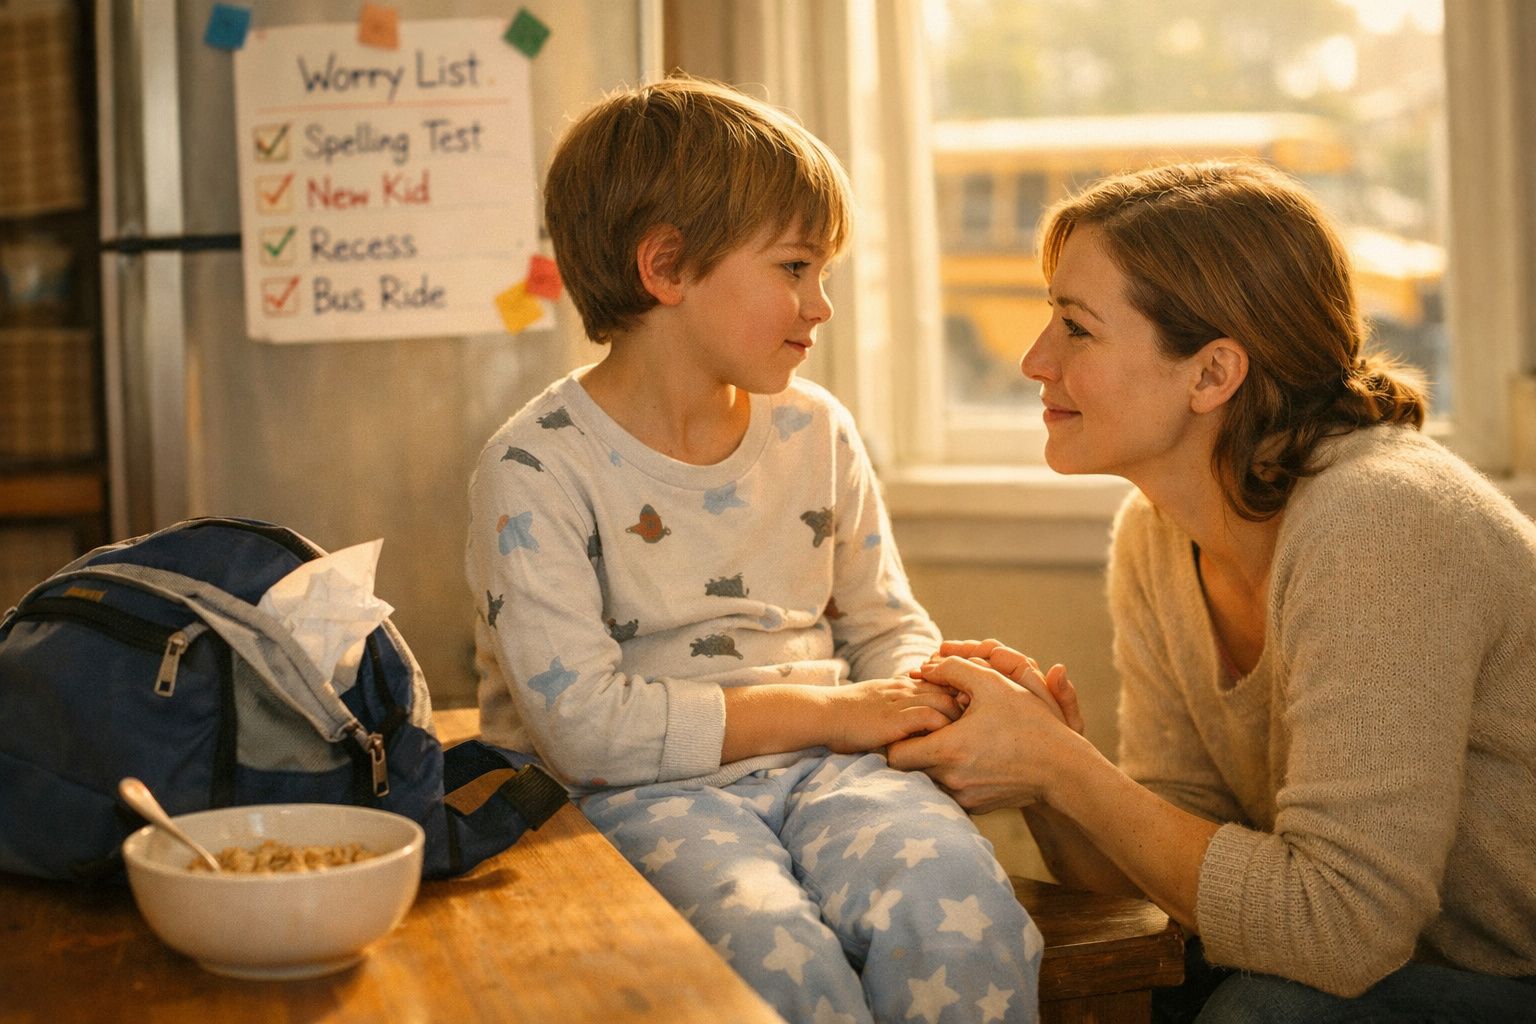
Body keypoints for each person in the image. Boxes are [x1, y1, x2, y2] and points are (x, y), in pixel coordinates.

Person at [887, 160, 1536, 1022]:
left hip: (1500, 972)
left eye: (1076, 328)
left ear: (1211, 374)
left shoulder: (1381, 520)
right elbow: (1174, 892)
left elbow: (1341, 932)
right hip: (1392, 969)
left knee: (1261, 1012)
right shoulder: (1158, 534)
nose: (1033, 358)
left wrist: (1065, 768)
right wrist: (1044, 776)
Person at [464, 75, 1041, 1024]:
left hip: (841, 768)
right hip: (632, 797)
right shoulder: (532, 470)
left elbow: (885, 624)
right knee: (774, 970)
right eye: (793, 268)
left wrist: (923, 698)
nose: (820, 306)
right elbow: (587, 732)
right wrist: (838, 714)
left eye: (824, 274)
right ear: (666, 268)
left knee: (960, 921)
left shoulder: (816, 430)